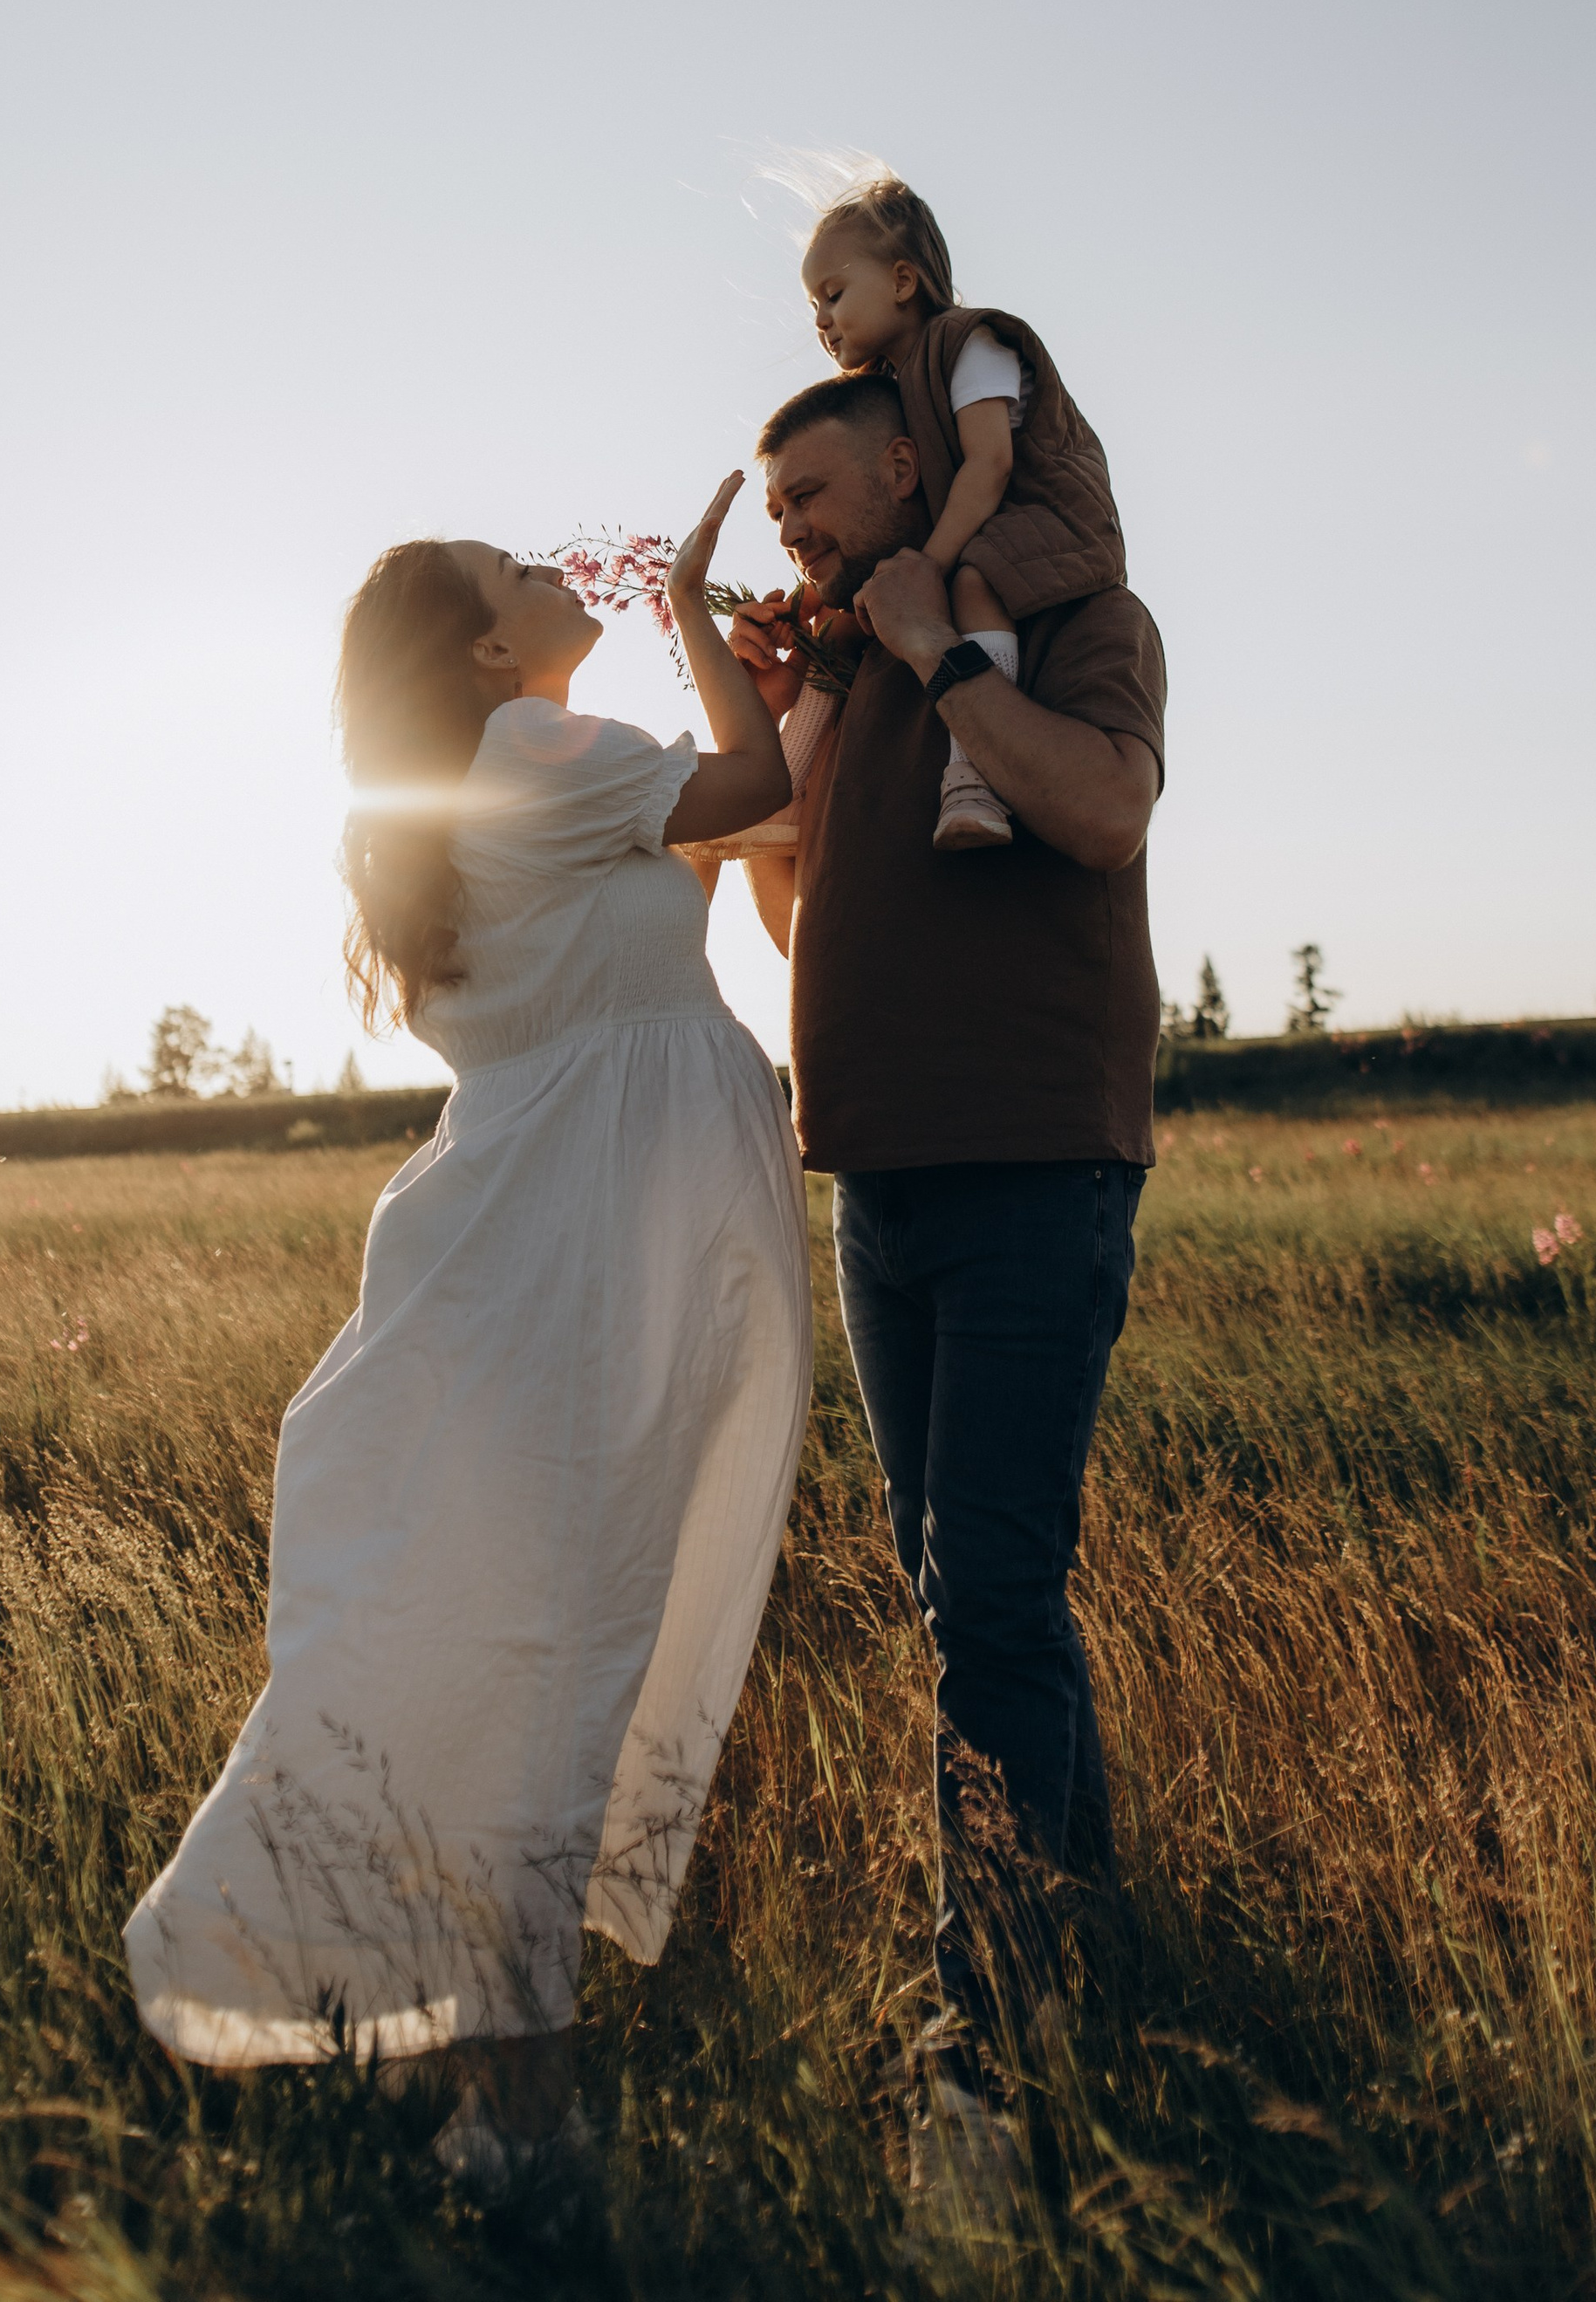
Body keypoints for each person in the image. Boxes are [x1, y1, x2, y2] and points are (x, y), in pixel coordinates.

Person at [124, 480, 812, 2181]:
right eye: (512, 569)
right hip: (582, 1238)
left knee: (534, 1646)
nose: (542, 561)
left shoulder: (526, 782)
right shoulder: (533, 752)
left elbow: (689, 880)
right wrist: (689, 602)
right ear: (488, 647)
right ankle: (522, 2123)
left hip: (549, 1228)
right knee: (560, 1655)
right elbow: (758, 791)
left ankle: (493, 2080)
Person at [729, 369, 1163, 2147]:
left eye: (815, 499)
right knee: (964, 1594)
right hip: (873, 1182)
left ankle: (984, 2055)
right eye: (775, 521)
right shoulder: (843, 670)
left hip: (1026, 1166)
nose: (798, 538)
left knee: (984, 1595)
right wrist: (784, 714)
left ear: (909, 467)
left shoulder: (1070, 618)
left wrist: (938, 655)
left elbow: (1102, 813)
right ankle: (1087, 1949)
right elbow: (791, 913)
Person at [795, 170, 1125, 851]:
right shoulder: (892, 385)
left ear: (903, 281)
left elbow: (991, 464)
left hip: (1048, 510)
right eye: (813, 305)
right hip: (991, 518)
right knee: (847, 631)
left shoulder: (968, 343)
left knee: (972, 584)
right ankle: (785, 789)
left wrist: (930, 564)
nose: (822, 319)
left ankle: (974, 778)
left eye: (833, 294)